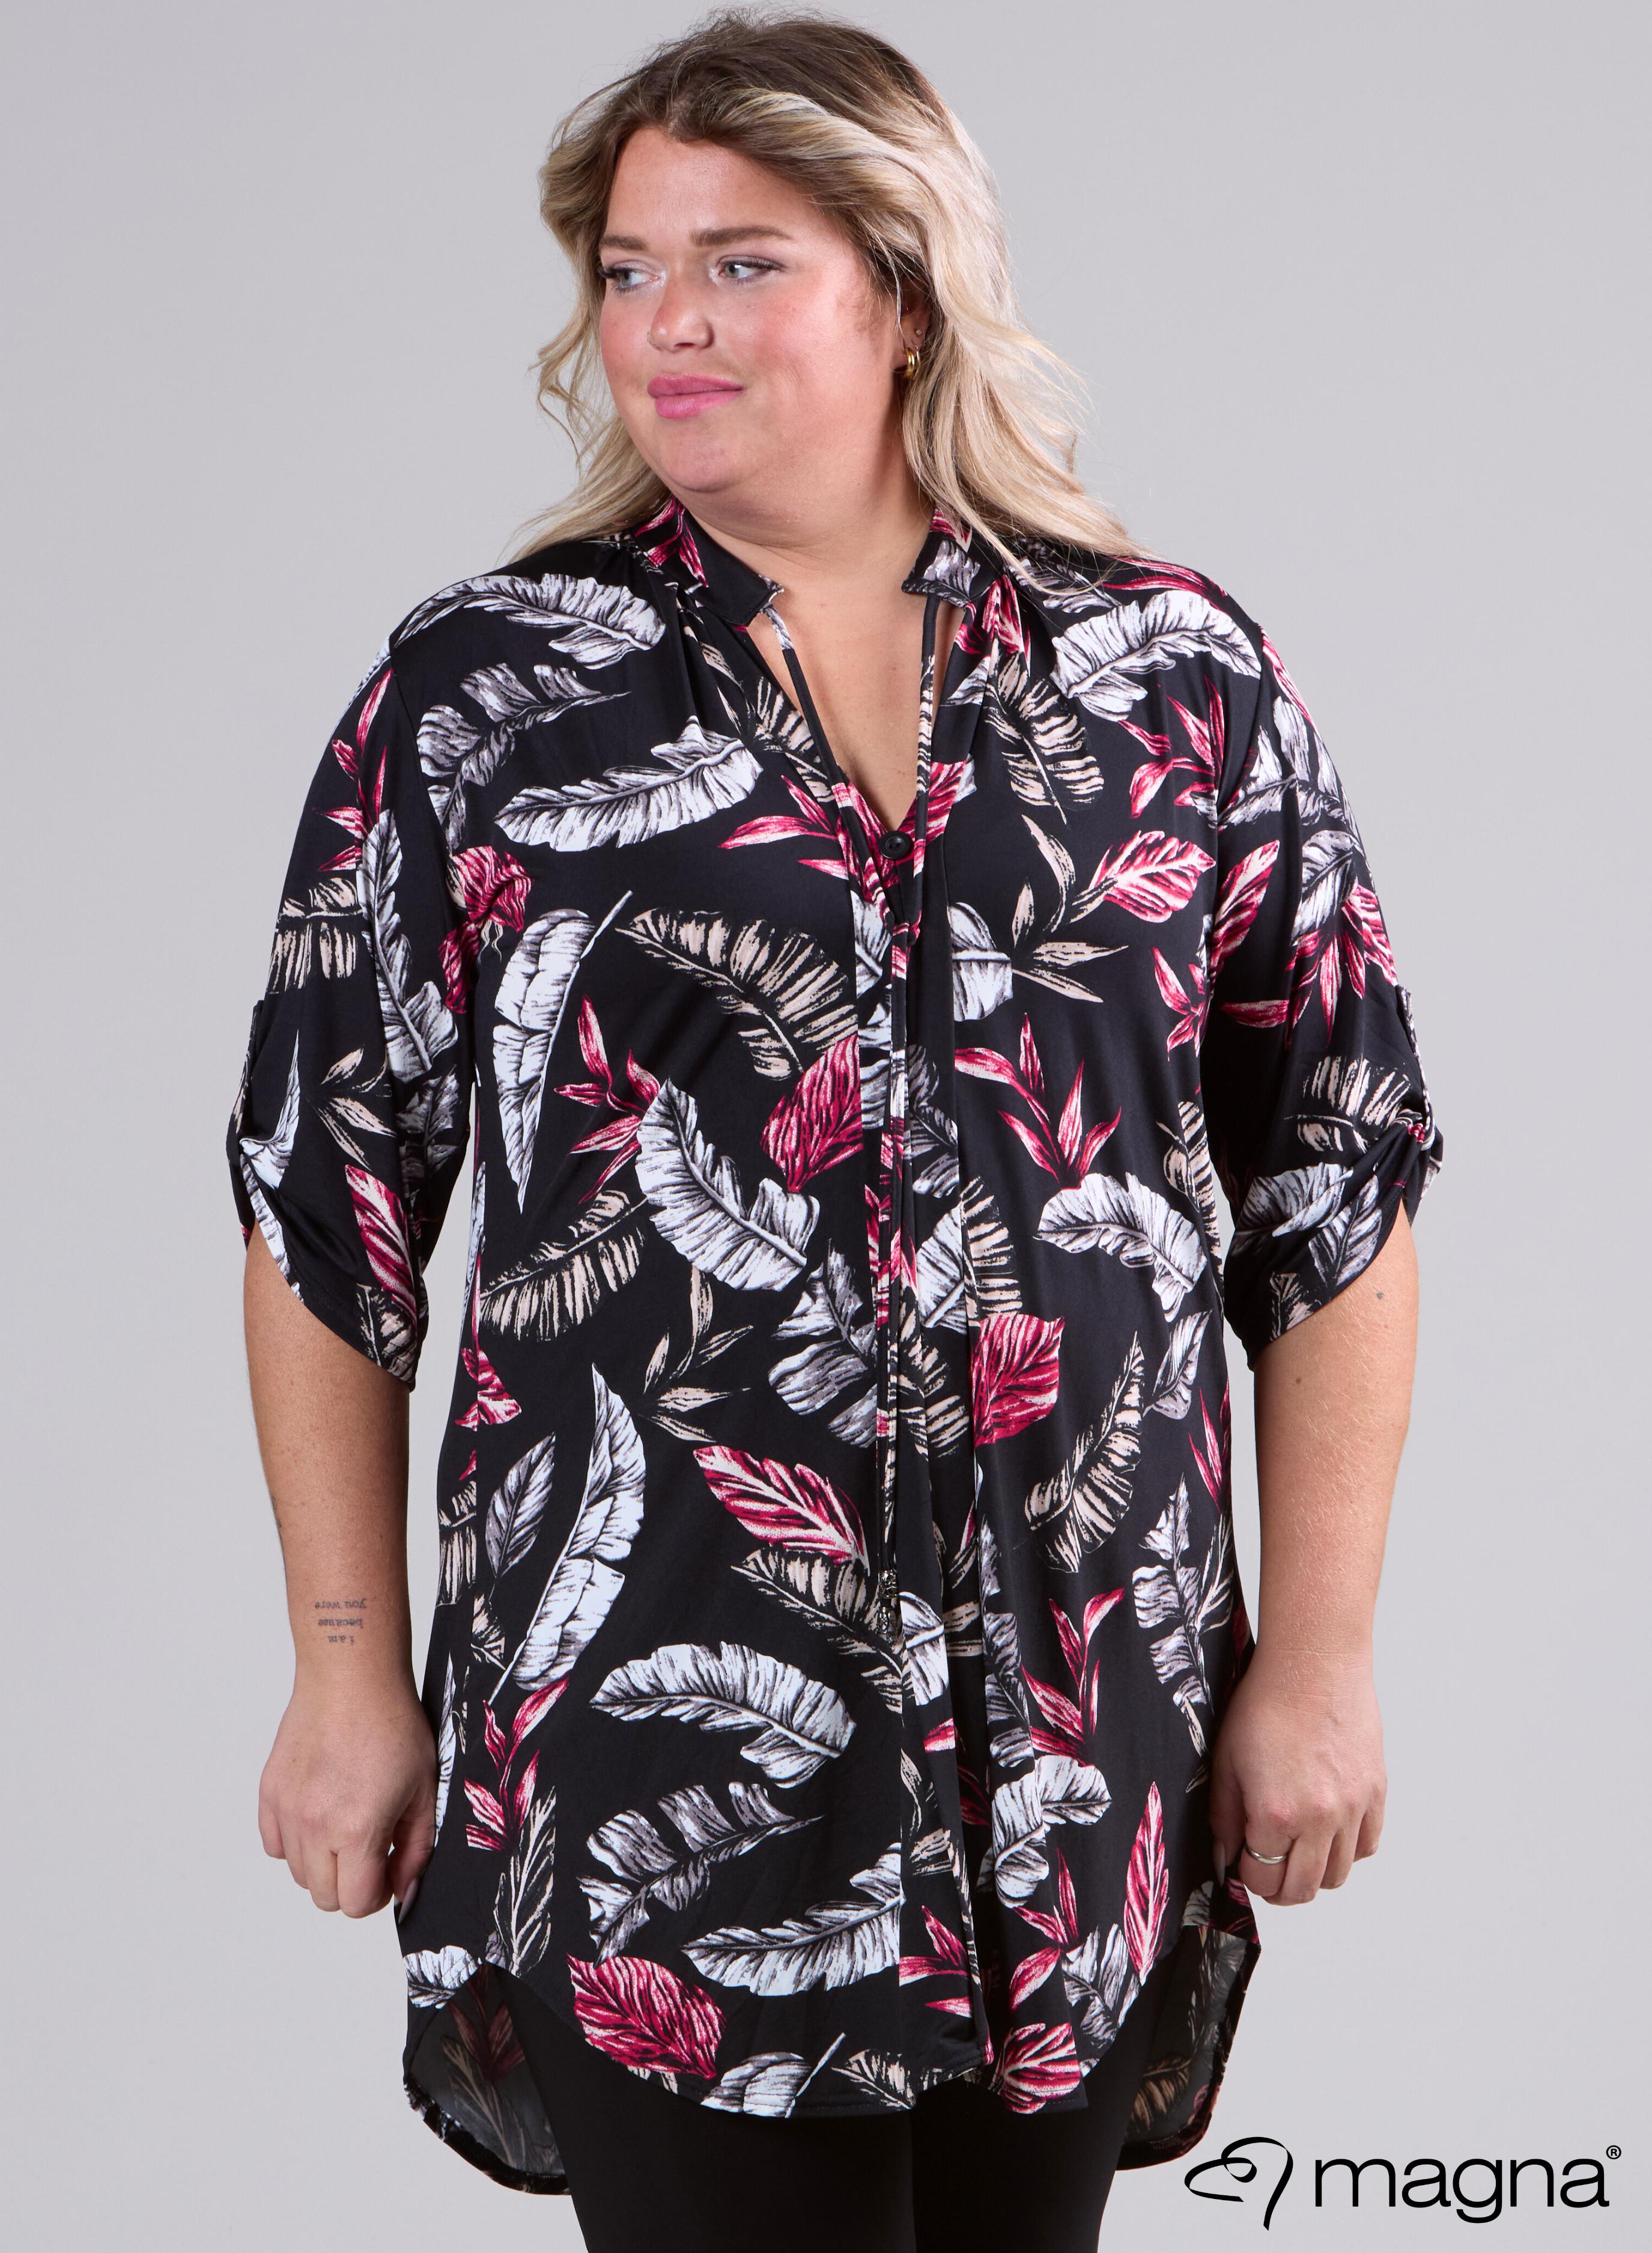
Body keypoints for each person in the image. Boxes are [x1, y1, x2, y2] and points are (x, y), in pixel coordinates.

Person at [229, 10, 1443, 2248]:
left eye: (741, 262)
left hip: (1082, 1736)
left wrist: (1327, 1655)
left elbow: (1335, 1185)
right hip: (660, 1746)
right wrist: (340, 1666)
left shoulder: (1168, 682)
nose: (666, 324)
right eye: (627, 270)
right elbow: (330, 1205)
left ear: (902, 288)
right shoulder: (487, 699)